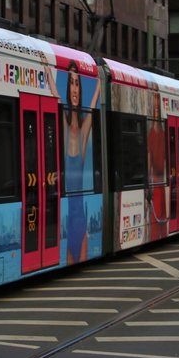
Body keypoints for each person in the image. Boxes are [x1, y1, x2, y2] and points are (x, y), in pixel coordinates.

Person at [63, 62, 100, 263]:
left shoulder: (85, 129)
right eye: (71, 83)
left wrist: (99, 82)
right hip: (70, 225)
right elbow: (54, 97)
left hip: (80, 223)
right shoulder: (63, 123)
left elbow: (93, 105)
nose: (75, 88)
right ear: (68, 89)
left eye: (77, 83)